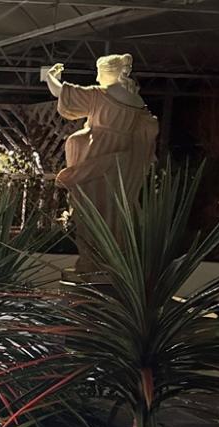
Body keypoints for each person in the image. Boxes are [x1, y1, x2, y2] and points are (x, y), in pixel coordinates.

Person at [44, 53, 158, 275]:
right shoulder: (137, 102)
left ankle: (92, 265)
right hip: (123, 165)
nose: (96, 78)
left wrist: (50, 76)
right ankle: (114, 264)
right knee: (116, 212)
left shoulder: (100, 95)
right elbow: (148, 132)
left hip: (96, 157)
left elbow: (60, 92)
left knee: (91, 212)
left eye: (98, 72)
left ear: (108, 72)